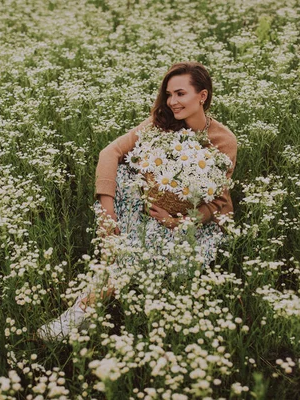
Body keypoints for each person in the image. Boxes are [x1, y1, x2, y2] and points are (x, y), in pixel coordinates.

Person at [36, 61, 238, 341]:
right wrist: (108, 219)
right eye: (169, 94)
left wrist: (177, 221)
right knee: (122, 176)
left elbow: (218, 202)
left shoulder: (222, 140)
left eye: (180, 93)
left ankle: (81, 310)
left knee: (140, 246)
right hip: (149, 210)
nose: (172, 102)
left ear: (202, 96)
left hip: (191, 223)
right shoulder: (160, 124)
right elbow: (110, 152)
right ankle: (89, 302)